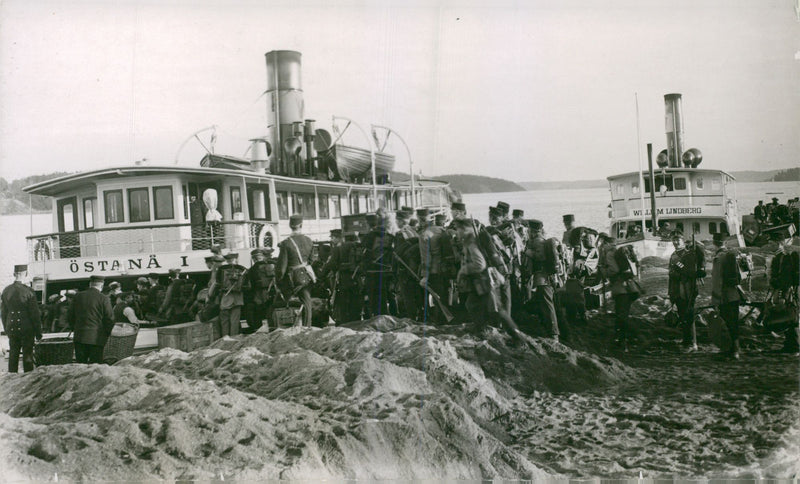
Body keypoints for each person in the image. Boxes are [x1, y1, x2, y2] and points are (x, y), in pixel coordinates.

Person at [453, 218, 523, 344]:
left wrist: (463, 270)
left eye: (458, 229)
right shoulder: (471, 240)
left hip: (483, 282)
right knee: (472, 304)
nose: (456, 232)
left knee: (497, 309)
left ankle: (518, 338)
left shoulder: (471, 243)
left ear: (464, 229)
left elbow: (480, 264)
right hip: (479, 282)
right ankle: (481, 330)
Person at [598, 234, 640, 351]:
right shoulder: (619, 251)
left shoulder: (610, 254)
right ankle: (624, 340)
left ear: (605, 243)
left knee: (621, 316)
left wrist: (603, 271)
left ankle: (626, 340)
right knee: (623, 314)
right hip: (629, 287)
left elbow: (614, 270)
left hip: (620, 288)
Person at [1, 264, 42, 372]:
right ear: (26, 274)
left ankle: (12, 377)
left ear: (14, 274)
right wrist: (38, 332)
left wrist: (6, 329)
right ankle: (28, 379)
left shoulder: (6, 291)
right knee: (27, 354)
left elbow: (3, 313)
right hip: (27, 327)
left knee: (13, 354)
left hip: (11, 327)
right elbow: (35, 314)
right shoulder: (28, 291)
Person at [524, 220, 560, 341]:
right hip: (542, 277)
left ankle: (554, 334)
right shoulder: (539, 240)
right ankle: (550, 330)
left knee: (547, 304)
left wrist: (528, 252)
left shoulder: (538, 241)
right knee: (545, 304)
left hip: (543, 277)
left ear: (533, 231)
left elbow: (541, 257)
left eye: (529, 230)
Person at [668, 233, 705, 351]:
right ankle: (687, 341)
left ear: (683, 241)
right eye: (673, 240)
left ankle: (691, 343)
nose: (675, 242)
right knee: (682, 315)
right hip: (676, 288)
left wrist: (679, 270)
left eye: (678, 240)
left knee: (689, 315)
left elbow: (690, 271)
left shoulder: (689, 254)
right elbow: (671, 272)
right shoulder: (673, 255)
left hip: (687, 288)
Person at [277, 214, 314, 326]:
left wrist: (278, 280)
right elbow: (311, 260)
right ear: (301, 225)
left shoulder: (286, 243)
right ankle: (307, 326)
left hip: (291, 277)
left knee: (289, 303)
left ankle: (289, 326)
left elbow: (281, 267)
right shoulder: (309, 240)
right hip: (306, 275)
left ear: (290, 225)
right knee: (306, 302)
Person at [711, 232, 743, 359]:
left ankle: (732, 350)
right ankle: (735, 349)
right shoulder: (731, 255)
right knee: (733, 322)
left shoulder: (719, 257)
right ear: (725, 243)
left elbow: (717, 280)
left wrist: (715, 298)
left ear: (714, 243)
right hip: (734, 294)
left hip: (724, 296)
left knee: (728, 322)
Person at [68, 275, 114, 364]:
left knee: (81, 366)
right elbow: (109, 319)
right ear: (101, 285)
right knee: (95, 368)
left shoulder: (78, 296)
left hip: (80, 337)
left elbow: (70, 316)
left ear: (90, 284)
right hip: (97, 338)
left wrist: (74, 328)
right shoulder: (104, 298)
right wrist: (108, 333)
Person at [769, 239, 799, 353]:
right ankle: (789, 344)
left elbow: (785, 279)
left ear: (778, 244)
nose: (770, 245)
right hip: (782, 290)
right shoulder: (779, 257)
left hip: (785, 291)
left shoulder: (783, 258)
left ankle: (795, 346)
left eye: (772, 243)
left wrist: (783, 295)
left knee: (790, 316)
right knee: (786, 316)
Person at [210, 252, 247, 336]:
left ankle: (225, 338)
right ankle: (234, 338)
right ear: (236, 259)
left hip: (225, 297)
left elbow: (217, 284)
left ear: (226, 260)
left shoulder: (222, 269)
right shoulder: (242, 269)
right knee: (235, 320)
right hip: (238, 298)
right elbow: (246, 286)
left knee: (224, 320)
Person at [244, 248, 276, 332]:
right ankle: (273, 329)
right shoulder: (273, 265)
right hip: (273, 292)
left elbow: (249, 286)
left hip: (259, 294)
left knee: (256, 312)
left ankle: (258, 330)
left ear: (254, 259)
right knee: (271, 312)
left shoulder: (252, 269)